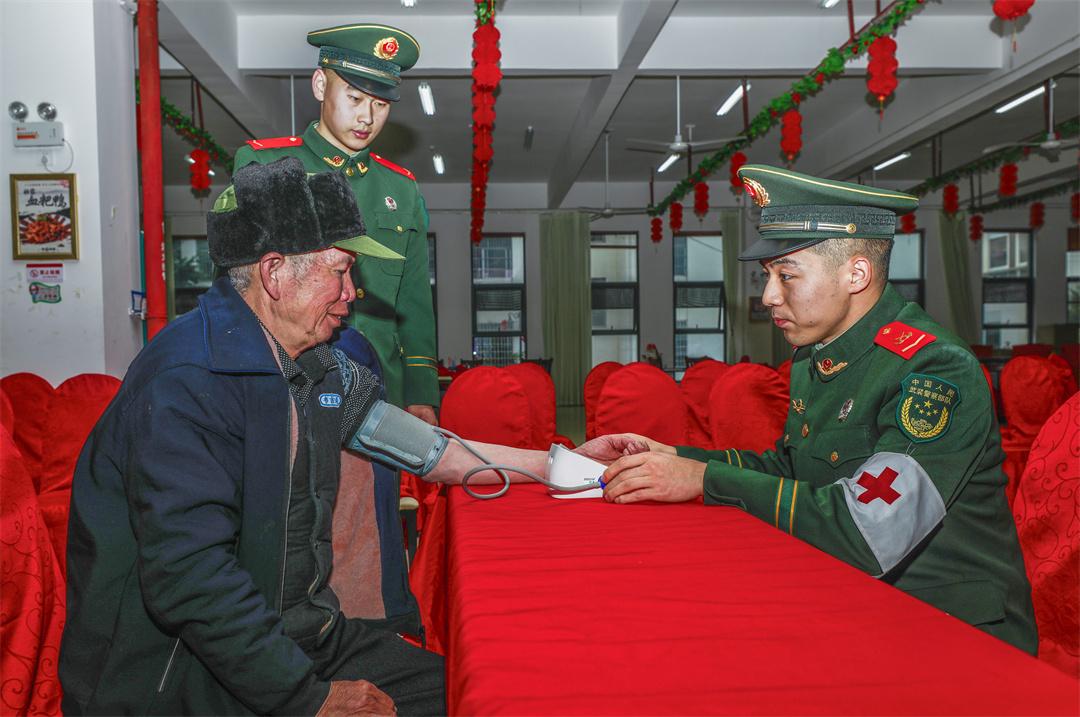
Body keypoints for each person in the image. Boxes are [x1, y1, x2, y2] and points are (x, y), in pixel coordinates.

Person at [594, 164, 1038, 653]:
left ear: (856, 274)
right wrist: (674, 458)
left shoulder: (934, 370)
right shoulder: (816, 356)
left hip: (949, 629)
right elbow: (794, 468)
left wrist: (704, 479)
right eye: (768, 276)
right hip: (853, 594)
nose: (768, 296)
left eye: (786, 276)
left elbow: (869, 532)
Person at [60, 158, 444, 716]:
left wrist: (544, 464)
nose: (352, 292)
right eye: (341, 271)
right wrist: (309, 700)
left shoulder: (308, 361)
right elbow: (191, 579)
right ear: (274, 273)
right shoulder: (189, 379)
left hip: (294, 633)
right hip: (178, 673)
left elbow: (421, 445)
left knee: (472, 688)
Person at [233, 22, 439, 425]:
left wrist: (420, 393)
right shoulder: (265, 164)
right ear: (320, 86)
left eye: (381, 105)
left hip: (380, 383)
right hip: (290, 377)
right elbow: (242, 289)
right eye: (355, 97)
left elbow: (414, 302)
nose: (367, 117)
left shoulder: (401, 189)